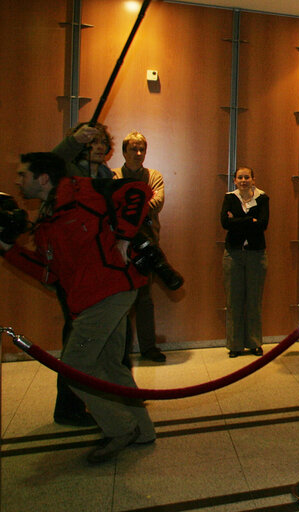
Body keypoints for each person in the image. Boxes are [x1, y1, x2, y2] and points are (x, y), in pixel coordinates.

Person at [1, 152, 156, 463]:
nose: (18, 182)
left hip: (110, 290)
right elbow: (51, 273)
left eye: (23, 175)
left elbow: (139, 191)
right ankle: (142, 430)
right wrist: (8, 251)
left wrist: (124, 236)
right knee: (110, 367)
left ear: (43, 178)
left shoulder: (82, 190)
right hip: (91, 297)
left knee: (73, 367)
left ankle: (120, 428)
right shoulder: (46, 218)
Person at [50, 122, 115, 426]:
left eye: (103, 142)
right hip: (71, 267)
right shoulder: (68, 170)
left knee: (98, 337)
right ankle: (68, 406)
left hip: (96, 266)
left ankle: (102, 398)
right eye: (93, 142)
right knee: (77, 337)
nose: (99, 147)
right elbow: (51, 162)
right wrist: (73, 141)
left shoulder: (105, 176)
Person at [112, 131, 167, 363]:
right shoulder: (113, 176)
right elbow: (110, 204)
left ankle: (148, 348)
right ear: (124, 152)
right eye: (133, 149)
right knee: (119, 300)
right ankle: (117, 350)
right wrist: (138, 204)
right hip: (119, 246)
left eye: (141, 149)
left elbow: (156, 202)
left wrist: (128, 207)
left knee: (145, 299)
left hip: (147, 244)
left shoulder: (153, 175)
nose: (138, 153)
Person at [221, 166, 269, 358]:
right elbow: (224, 223)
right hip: (233, 254)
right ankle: (235, 345)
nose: (243, 180)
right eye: (239, 177)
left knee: (254, 300)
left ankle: (254, 343)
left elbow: (263, 224)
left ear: (253, 179)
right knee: (234, 300)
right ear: (234, 181)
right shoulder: (229, 198)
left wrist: (238, 220)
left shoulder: (263, 198)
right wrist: (251, 221)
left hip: (256, 255)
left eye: (247, 177)